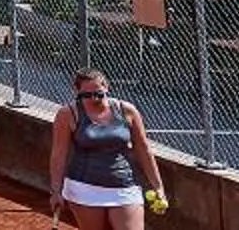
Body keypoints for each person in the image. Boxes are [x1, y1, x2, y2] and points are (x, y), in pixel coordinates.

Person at [47, 68, 164, 225]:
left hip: (124, 187)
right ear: (76, 92)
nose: (94, 98)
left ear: (107, 88)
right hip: (84, 189)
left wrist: (158, 187)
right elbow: (59, 154)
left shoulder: (127, 110)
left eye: (99, 93)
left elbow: (144, 149)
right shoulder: (67, 114)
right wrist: (56, 190)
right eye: (86, 95)